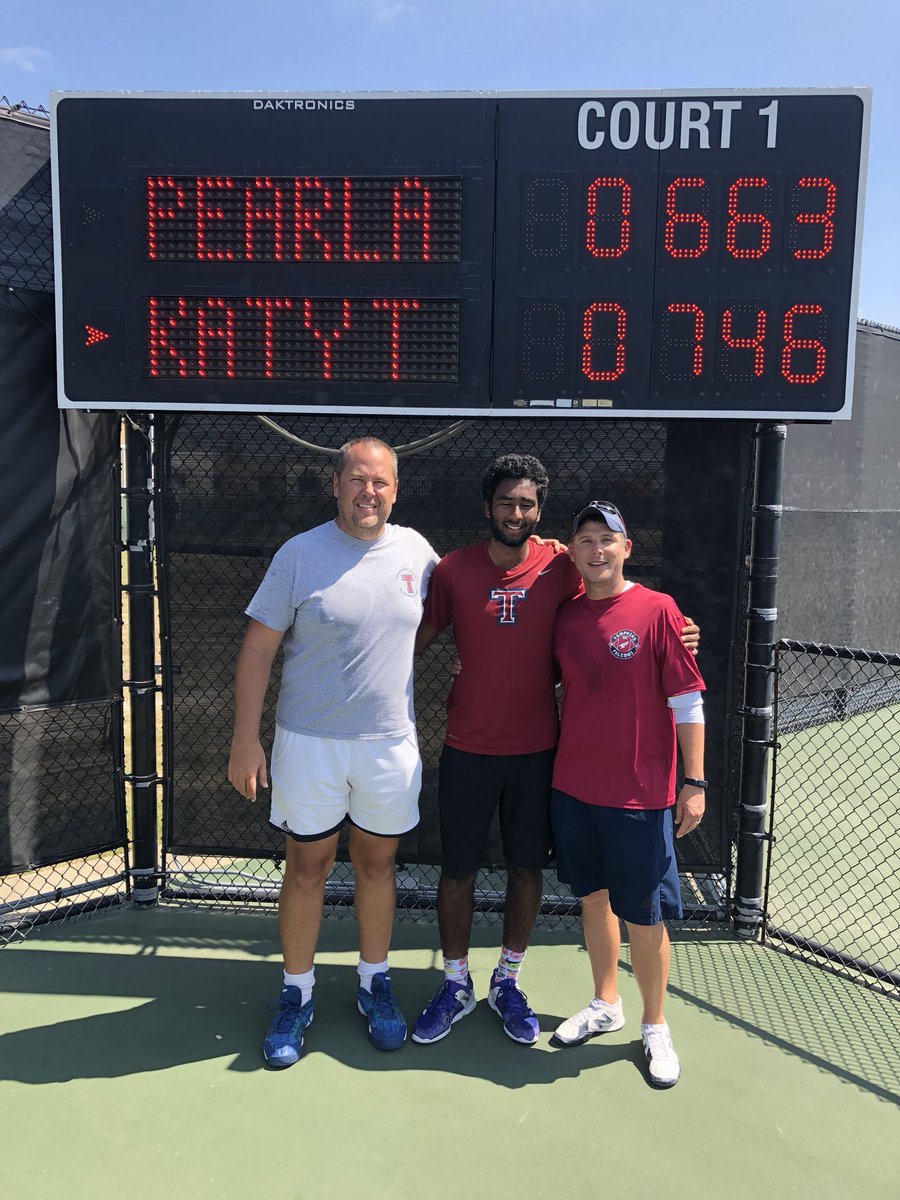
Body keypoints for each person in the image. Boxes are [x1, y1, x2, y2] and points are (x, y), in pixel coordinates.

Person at [411, 456, 699, 1047]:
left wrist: (678, 628)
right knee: (458, 872)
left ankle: (508, 982)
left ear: (539, 511)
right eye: (506, 502)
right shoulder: (454, 570)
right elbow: (415, 637)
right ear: (487, 507)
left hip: (540, 754)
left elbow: (625, 602)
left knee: (526, 870)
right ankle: (456, 983)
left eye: (527, 504)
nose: (516, 513)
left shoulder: (562, 565)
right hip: (469, 749)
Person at [227, 436, 439, 1067]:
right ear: (336, 485)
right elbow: (257, 650)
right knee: (307, 868)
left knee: (377, 865)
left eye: (380, 482)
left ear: (395, 490)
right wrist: (244, 739)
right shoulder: (299, 554)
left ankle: (375, 982)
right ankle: (296, 993)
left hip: (388, 745)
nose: (367, 492)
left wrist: (551, 556)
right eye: (357, 479)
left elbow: (484, 594)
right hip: (308, 743)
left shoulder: (419, 553)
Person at [550, 500, 706, 1088]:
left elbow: (687, 703)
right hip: (573, 789)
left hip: (640, 797)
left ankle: (655, 1024)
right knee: (594, 900)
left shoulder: (660, 610)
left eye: (607, 539)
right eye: (586, 540)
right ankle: (605, 1002)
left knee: (645, 916)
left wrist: (694, 783)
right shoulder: (565, 616)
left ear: (626, 548)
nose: (597, 550)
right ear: (573, 551)